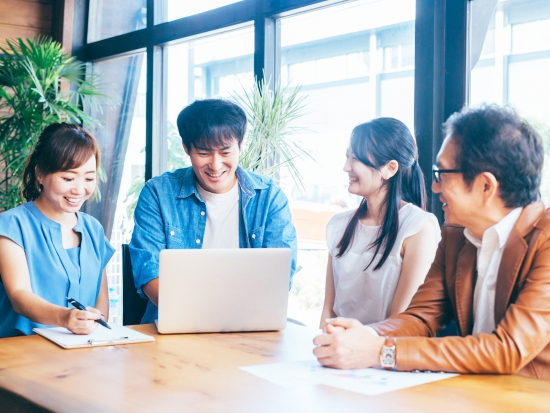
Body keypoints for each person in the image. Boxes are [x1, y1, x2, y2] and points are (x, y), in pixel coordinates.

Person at [313, 104, 550, 380]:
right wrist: (362, 337)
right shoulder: (454, 236)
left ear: (486, 186)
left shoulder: (545, 240)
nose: (434, 187)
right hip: (472, 393)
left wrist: (382, 351)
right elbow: (421, 318)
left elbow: (507, 347)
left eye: (442, 174)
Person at [130, 99, 297, 324]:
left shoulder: (269, 198)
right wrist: (206, 315)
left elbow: (278, 278)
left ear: (240, 146)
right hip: (176, 324)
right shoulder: (158, 193)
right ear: (186, 148)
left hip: (249, 324)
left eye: (226, 152)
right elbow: (149, 273)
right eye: (204, 153)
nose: (216, 165)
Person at [320, 118, 440, 328]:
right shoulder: (338, 226)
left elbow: (400, 321)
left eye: (355, 158)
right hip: (337, 351)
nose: (346, 167)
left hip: (382, 354)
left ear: (390, 168)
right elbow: (328, 310)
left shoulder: (418, 227)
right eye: (347, 156)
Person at [0, 123, 114, 337]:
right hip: (22, 354)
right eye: (68, 178)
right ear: (40, 174)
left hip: (82, 352)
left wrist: (93, 327)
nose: (79, 189)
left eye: (89, 178)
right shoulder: (11, 225)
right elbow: (19, 295)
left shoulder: (93, 229)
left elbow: (101, 301)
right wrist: (65, 319)